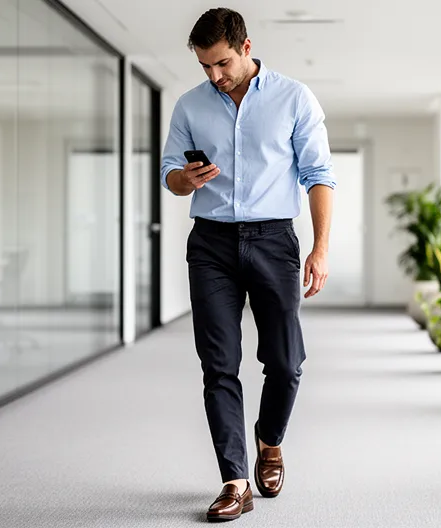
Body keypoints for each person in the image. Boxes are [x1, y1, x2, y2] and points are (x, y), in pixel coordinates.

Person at [159, 7, 335, 522]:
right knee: (219, 365)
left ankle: (269, 439)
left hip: (274, 239)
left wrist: (319, 249)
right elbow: (170, 172)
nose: (215, 75)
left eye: (222, 63)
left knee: (285, 362)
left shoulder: (294, 98)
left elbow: (319, 175)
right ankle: (235, 481)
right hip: (210, 244)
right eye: (205, 67)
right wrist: (185, 180)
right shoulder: (191, 105)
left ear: (246, 46)